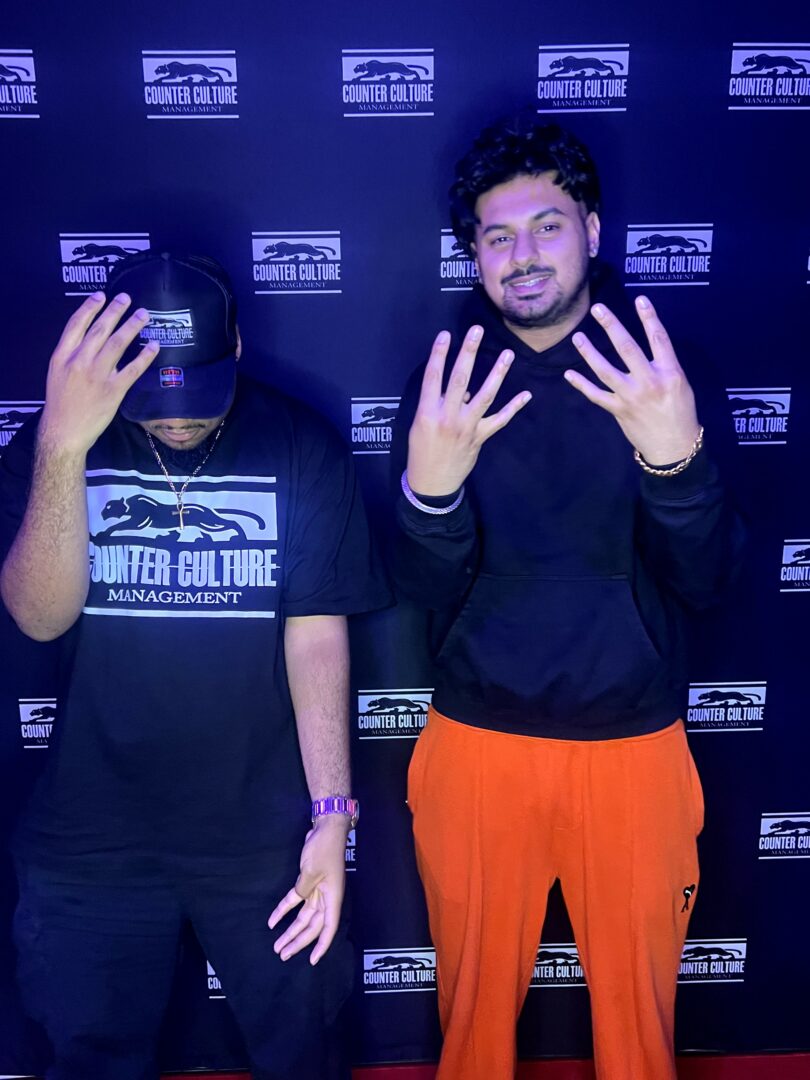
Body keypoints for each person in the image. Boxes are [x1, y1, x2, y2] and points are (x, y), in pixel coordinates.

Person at [390, 118, 744, 1079]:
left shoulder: (662, 374)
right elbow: (419, 592)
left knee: (640, 1038)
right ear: (475, 254)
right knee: (471, 1031)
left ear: (590, 227)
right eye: (498, 236)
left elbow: (711, 584)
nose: (524, 256)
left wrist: (675, 464)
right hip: (476, 742)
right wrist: (432, 495)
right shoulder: (447, 383)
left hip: (632, 745)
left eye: (547, 226)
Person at [0, 250, 389, 1080]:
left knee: (306, 1053)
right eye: (155, 402)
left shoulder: (299, 444)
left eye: (197, 400)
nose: (177, 423)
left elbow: (316, 635)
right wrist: (64, 448)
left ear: (236, 346)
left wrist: (332, 817)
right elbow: (38, 616)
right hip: (93, 831)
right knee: (89, 1060)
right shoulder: (55, 441)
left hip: (259, 829)